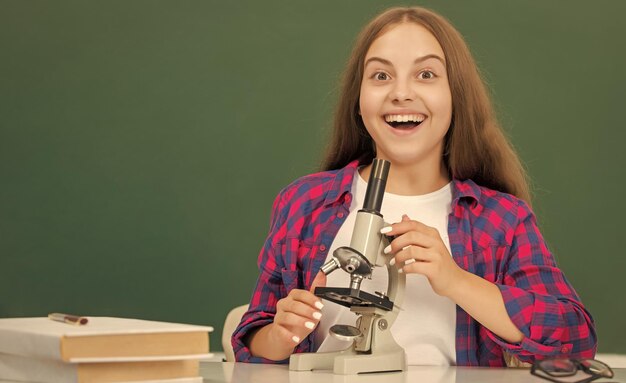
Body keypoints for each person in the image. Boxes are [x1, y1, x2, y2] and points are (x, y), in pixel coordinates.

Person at [231, 6, 596, 367]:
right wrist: (279, 337)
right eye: (380, 76)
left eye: (425, 74)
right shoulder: (304, 203)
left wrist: (455, 280)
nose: (401, 93)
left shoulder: (503, 220)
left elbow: (575, 339)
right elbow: (253, 337)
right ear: (359, 101)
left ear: (455, 97)